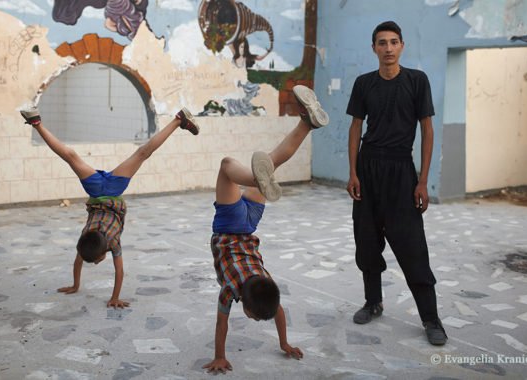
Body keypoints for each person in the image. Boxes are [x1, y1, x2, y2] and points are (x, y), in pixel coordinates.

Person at [203, 85, 329, 373]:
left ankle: (306, 124)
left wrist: (285, 342)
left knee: (274, 161)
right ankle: (255, 178)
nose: (257, 319)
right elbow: (222, 322)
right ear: (245, 306)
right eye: (256, 317)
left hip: (250, 223)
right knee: (226, 166)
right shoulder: (230, 290)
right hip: (229, 226)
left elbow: (278, 311)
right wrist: (220, 356)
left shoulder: (266, 281)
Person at [20, 107, 200, 308]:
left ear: (103, 250)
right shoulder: (86, 239)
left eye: (96, 260)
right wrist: (76, 285)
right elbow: (81, 260)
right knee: (73, 157)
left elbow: (118, 271)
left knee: (142, 153)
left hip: (112, 190)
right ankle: (37, 123)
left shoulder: (111, 243)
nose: (97, 263)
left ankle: (178, 121)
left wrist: (113, 297)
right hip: (96, 189)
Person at [345, 21, 448, 346]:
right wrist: (353, 172)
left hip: (402, 170)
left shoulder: (417, 81)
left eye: (393, 42)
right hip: (369, 167)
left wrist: (422, 181)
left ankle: (431, 319)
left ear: (402, 46)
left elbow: (427, 130)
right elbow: (355, 128)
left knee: (412, 246)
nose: (388, 48)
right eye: (381, 43)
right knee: (366, 240)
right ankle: (372, 302)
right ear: (373, 48)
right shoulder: (364, 84)